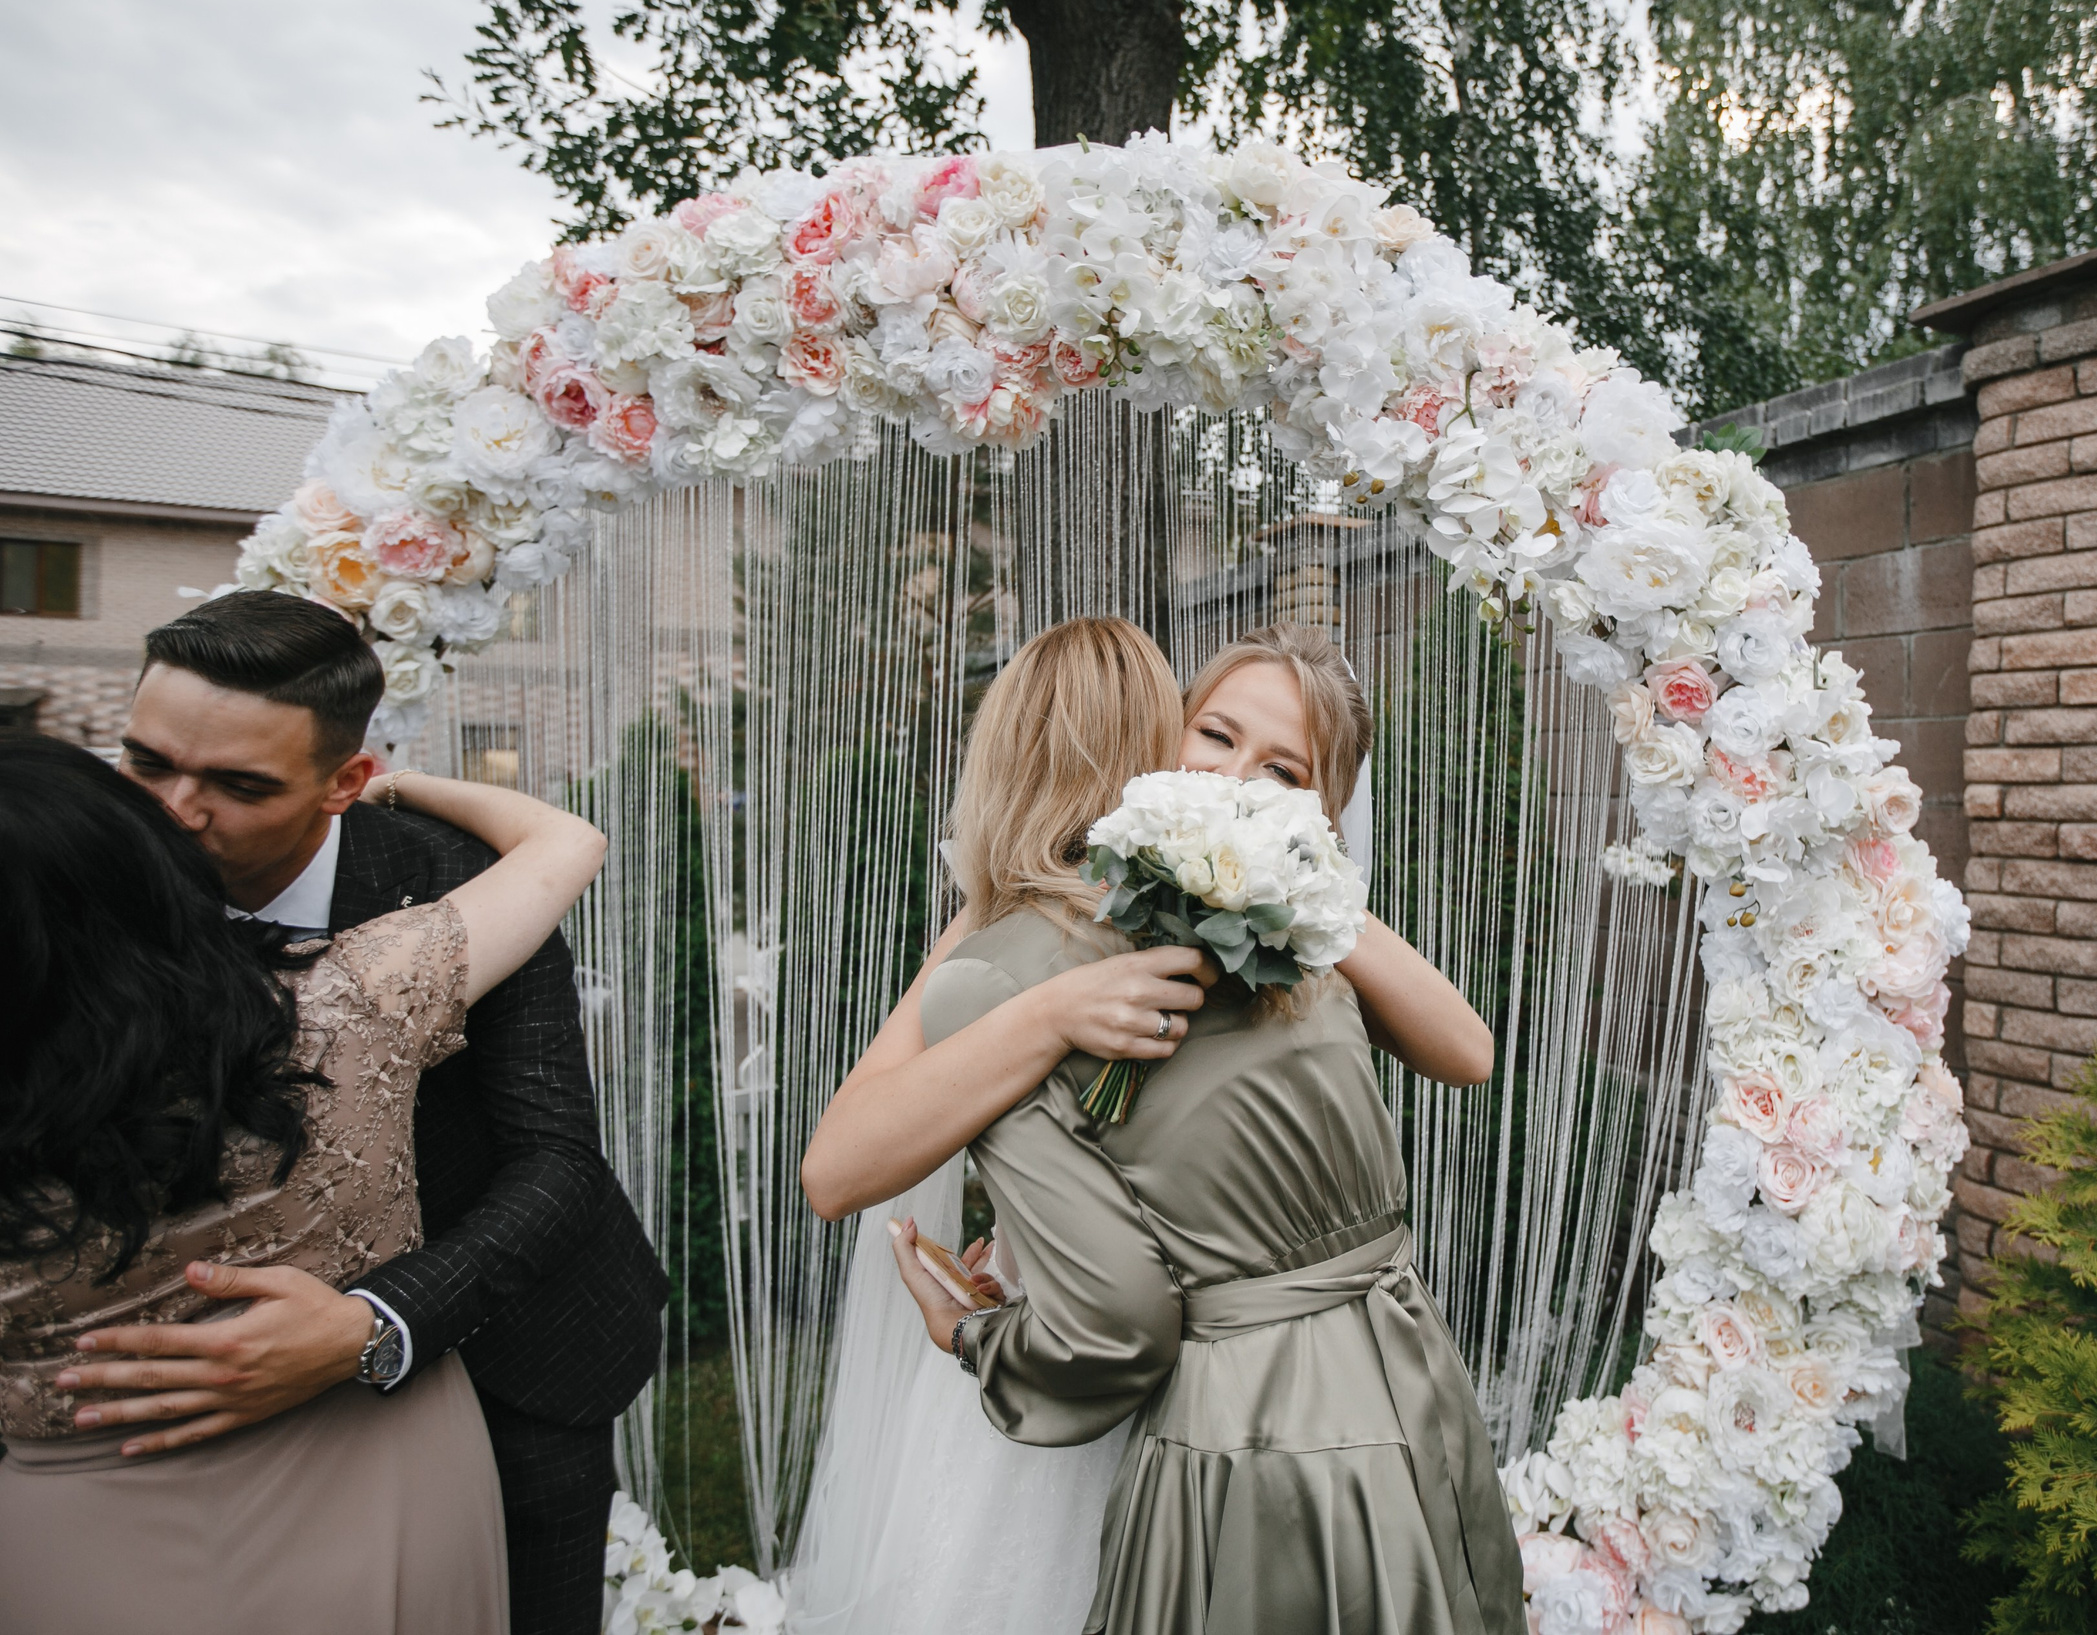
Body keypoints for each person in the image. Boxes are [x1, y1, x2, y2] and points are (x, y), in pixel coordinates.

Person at [788, 620, 1500, 1633]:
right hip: (1075, 1353)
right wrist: (1047, 1018)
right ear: (1161, 732)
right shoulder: (1018, 936)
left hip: (1226, 1390)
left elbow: (1465, 1051)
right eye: (1213, 736)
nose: (1236, 777)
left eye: (1282, 769)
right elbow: (838, 1166)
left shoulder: (1283, 918)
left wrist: (1291, 865)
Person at [49, 591, 668, 1635]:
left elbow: (556, 1158)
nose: (173, 810)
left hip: (500, 1350)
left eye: (239, 786)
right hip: (184, 1409)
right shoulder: (80, 885)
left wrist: (375, 1325)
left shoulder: (457, 881)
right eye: (147, 762)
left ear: (346, 783)